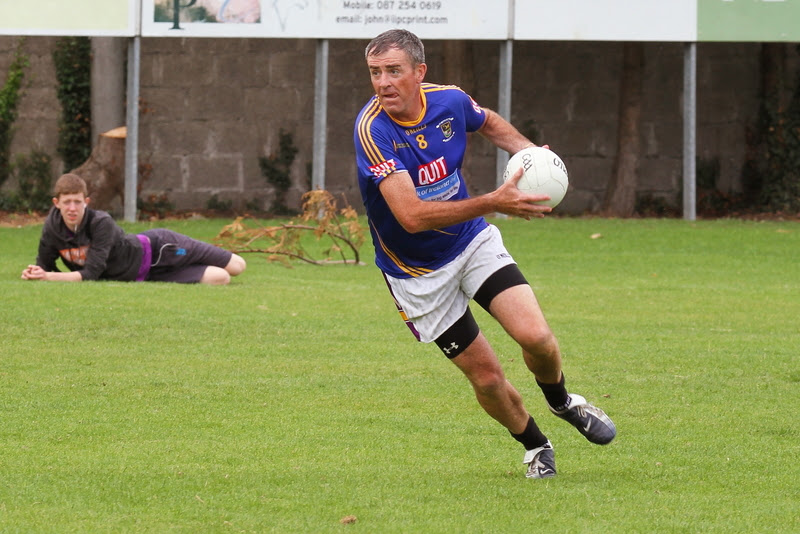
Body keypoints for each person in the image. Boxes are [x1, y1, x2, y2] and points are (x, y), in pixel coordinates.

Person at [354, 29, 615, 479]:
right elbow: (411, 216)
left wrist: (528, 152)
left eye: (394, 71)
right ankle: (536, 446)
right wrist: (495, 201)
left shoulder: (449, 101)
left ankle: (563, 402)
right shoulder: (373, 131)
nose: (383, 83)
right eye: (375, 73)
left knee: (536, 337)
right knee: (488, 377)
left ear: (420, 72)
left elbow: (488, 121)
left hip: (471, 241)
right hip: (416, 273)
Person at [21, 173, 246, 285]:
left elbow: (90, 274)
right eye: (67, 202)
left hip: (161, 249)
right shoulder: (52, 229)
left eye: (77, 202)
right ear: (56, 203)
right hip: (150, 275)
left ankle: (192, 254)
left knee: (237, 266)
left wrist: (47, 276)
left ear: (86, 202)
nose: (72, 208)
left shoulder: (100, 222)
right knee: (221, 278)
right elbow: (45, 266)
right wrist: (35, 273)